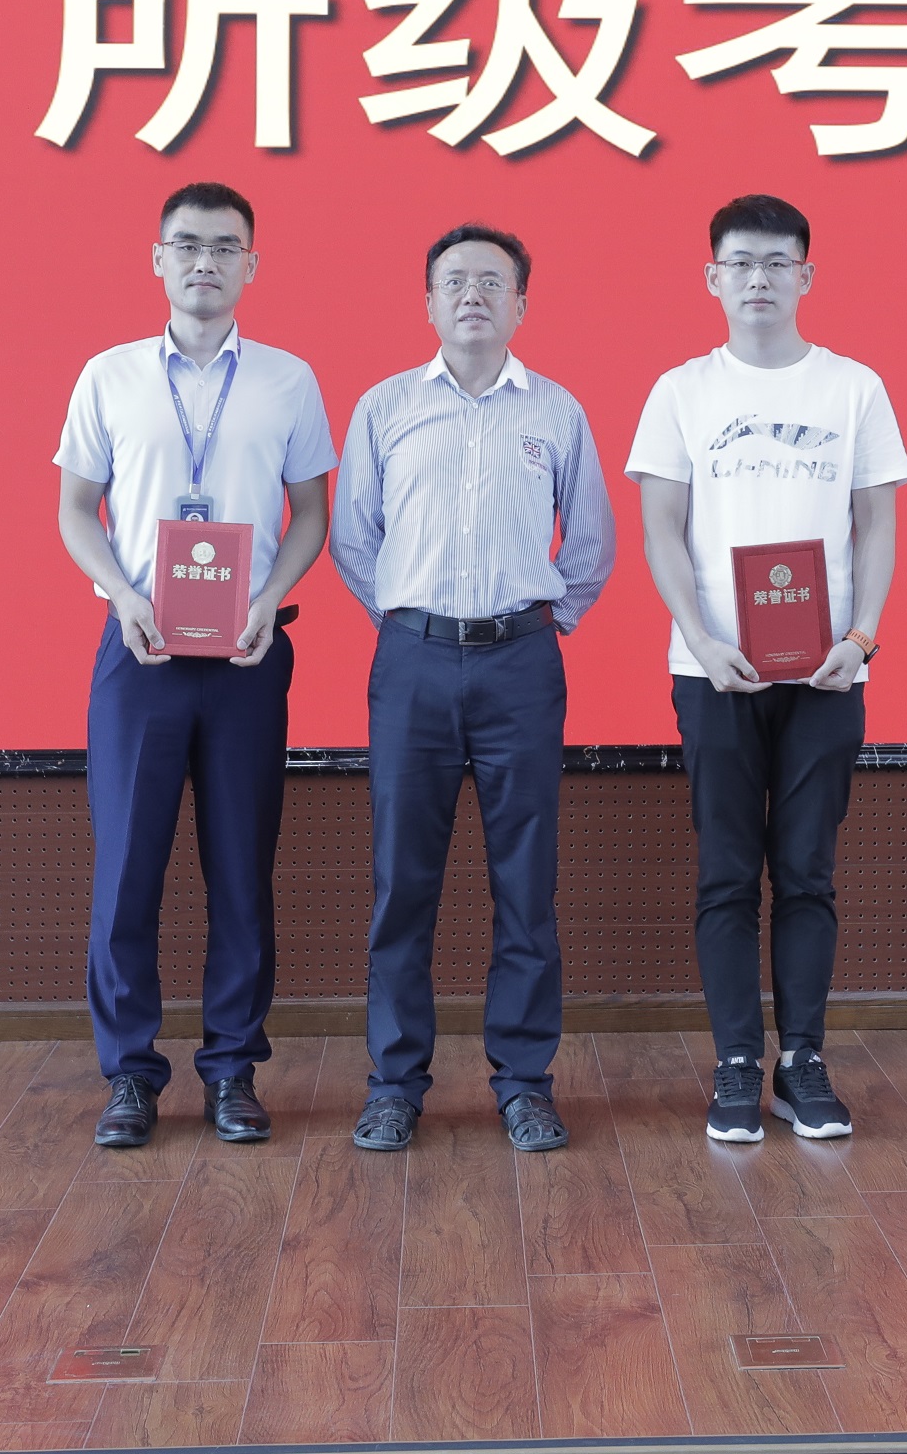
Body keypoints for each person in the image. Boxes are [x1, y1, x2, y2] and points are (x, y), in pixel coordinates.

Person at [54, 180, 334, 1149]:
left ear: (252, 263)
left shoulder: (289, 380)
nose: (204, 261)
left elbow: (312, 513)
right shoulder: (110, 376)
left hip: (250, 652)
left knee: (241, 867)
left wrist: (268, 600)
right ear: (157, 259)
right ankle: (130, 1074)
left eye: (224, 246)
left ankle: (232, 1069)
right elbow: (75, 508)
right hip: (140, 651)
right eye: (187, 244)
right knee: (127, 867)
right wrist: (121, 593)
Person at [626, 193, 905, 1144]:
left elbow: (877, 524)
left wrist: (860, 638)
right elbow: (661, 529)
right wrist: (701, 639)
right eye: (741, 262)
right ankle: (738, 1064)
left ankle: (804, 1063)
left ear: (806, 276)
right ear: (712, 277)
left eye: (778, 262)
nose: (759, 278)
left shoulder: (853, 389)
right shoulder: (680, 392)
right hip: (714, 671)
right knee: (727, 874)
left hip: (827, 672)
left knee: (808, 873)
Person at [332, 224, 616, 1154]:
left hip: (520, 667)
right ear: (427, 302)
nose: (472, 296)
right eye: (454, 281)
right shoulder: (384, 408)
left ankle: (525, 1083)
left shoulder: (557, 412)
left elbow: (590, 546)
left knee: (525, 884)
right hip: (412, 663)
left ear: (521, 304)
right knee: (400, 884)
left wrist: (538, 624)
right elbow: (354, 539)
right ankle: (394, 1085)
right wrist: (411, 620)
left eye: (492, 282)